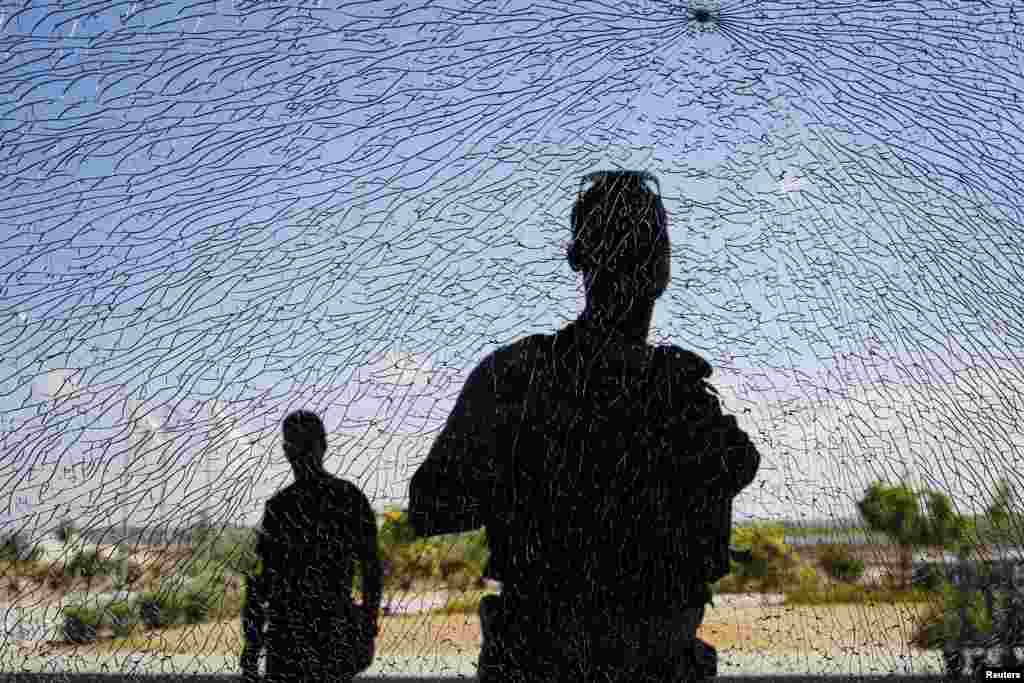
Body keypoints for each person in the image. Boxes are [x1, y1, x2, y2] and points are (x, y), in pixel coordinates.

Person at [408, 170, 761, 682]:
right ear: (665, 267)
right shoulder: (670, 391)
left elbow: (430, 507)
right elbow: (430, 506)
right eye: (632, 245)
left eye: (636, 245)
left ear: (576, 257)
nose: (633, 264)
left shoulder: (519, 377)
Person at [240, 410, 383, 682]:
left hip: (287, 640)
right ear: (324, 445)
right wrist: (367, 621)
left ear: (286, 451)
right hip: (333, 633)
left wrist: (252, 644)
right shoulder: (350, 498)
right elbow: (372, 569)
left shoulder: (280, 508)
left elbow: (262, 582)